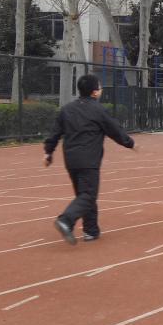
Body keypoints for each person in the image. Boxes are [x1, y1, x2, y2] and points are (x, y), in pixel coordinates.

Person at [45, 74, 137, 245]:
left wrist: (48, 152)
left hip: (70, 160)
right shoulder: (98, 110)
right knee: (88, 195)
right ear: (95, 92)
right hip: (88, 160)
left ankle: (91, 230)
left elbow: (55, 133)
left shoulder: (67, 109)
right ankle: (66, 220)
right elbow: (114, 130)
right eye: (100, 87)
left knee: (84, 194)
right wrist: (130, 143)